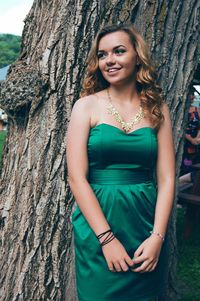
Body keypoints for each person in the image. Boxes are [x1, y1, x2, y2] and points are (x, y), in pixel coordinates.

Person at [66, 23, 175, 301]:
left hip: (145, 224)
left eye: (119, 51)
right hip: (99, 223)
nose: (109, 61)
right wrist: (107, 239)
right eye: (102, 55)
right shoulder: (86, 106)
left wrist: (157, 238)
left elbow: (166, 178)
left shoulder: (156, 107)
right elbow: (76, 177)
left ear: (137, 56)